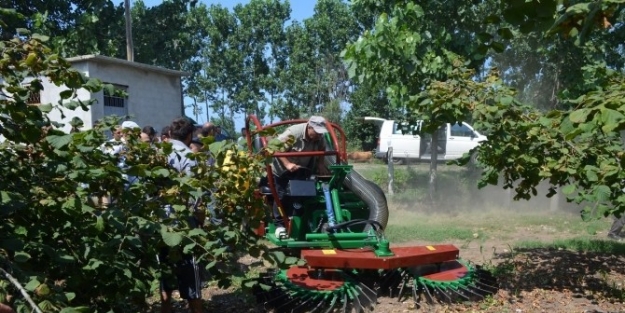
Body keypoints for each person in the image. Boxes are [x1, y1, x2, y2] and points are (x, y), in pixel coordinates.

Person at [159, 117, 203, 313]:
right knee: (190, 273)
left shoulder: (158, 153)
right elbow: (194, 195)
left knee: (165, 270)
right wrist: (200, 223)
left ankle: (166, 308)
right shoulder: (189, 156)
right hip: (183, 222)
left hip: (160, 220)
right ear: (190, 135)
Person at [271, 116, 330, 238]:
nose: (320, 136)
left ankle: (300, 222)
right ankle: (280, 225)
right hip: (282, 169)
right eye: (317, 132)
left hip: (302, 169)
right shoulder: (293, 133)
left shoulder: (320, 137)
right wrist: (287, 164)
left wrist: (320, 164)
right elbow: (275, 147)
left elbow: (323, 148)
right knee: (281, 196)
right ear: (309, 127)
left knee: (303, 196)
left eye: (321, 133)